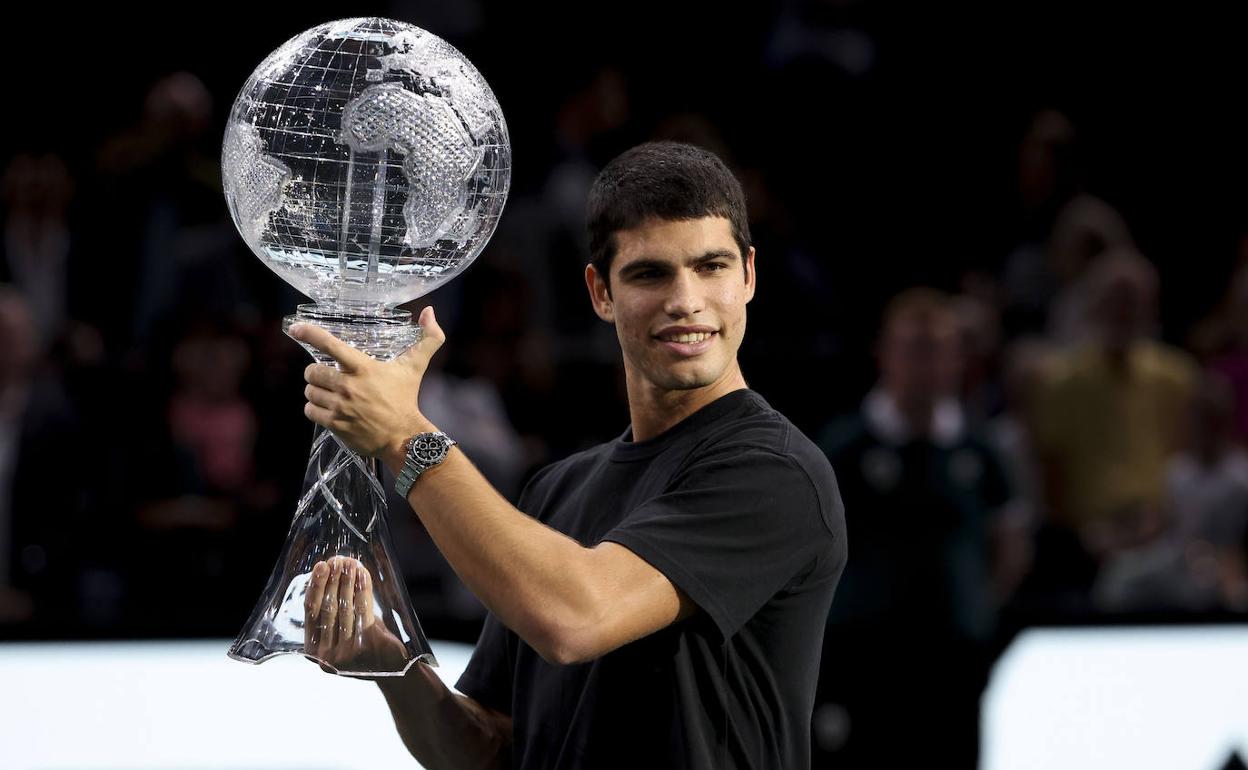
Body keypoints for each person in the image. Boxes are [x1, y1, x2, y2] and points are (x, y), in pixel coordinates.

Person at [286, 141, 847, 769]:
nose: (686, 300)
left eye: (711, 267)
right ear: (600, 292)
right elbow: (487, 750)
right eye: (649, 273)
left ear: (748, 275)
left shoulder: (774, 472)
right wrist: (392, 665)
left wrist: (404, 438)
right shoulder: (558, 490)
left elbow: (574, 618)